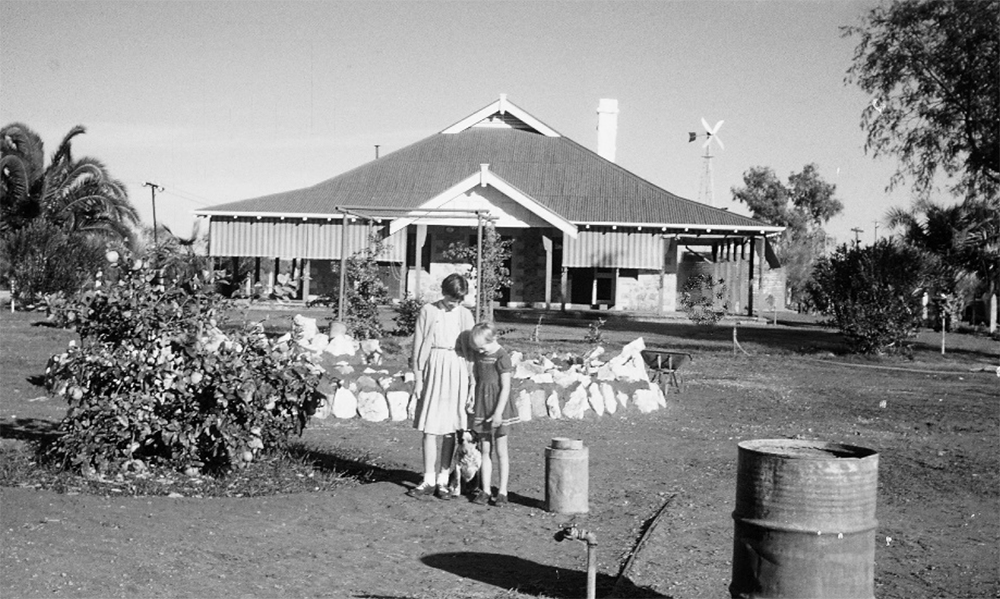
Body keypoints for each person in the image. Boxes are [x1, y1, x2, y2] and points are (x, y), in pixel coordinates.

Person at [408, 273, 475, 500]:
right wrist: (418, 377)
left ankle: (443, 479)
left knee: (450, 428)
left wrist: (472, 382)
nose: (454, 304)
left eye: (458, 300)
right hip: (434, 367)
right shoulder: (429, 311)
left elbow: (472, 351)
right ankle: (427, 478)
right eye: (450, 299)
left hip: (456, 367)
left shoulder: (465, 315)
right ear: (443, 293)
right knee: (430, 426)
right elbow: (418, 346)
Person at [467, 321, 518, 506]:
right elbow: (476, 377)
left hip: (498, 406)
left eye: (482, 347)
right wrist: (472, 396)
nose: (480, 351)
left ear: (494, 338)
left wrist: (498, 413)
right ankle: (486, 489)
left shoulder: (501, 357)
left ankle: (503, 491)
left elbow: (505, 388)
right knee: (485, 449)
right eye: (477, 349)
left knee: (501, 451)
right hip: (483, 404)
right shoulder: (480, 356)